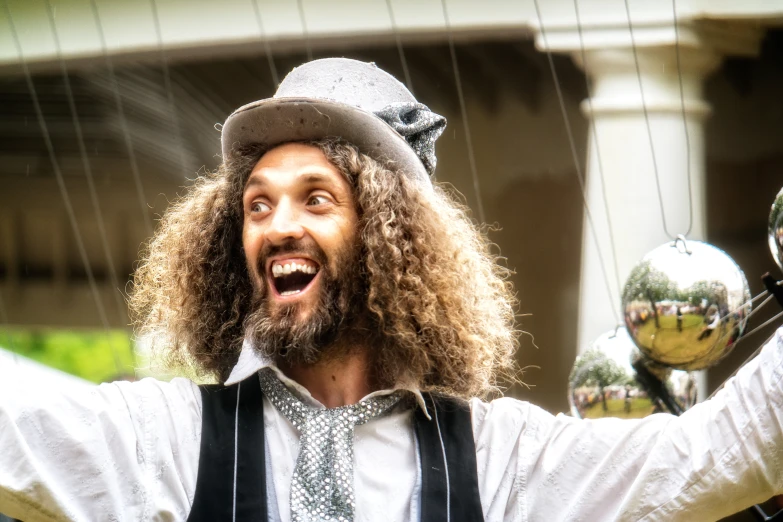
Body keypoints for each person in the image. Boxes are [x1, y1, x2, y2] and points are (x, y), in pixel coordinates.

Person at [1, 58, 782, 522]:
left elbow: (717, 454)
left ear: (385, 236)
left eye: (315, 197)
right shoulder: (161, 439)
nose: (275, 225)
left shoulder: (501, 456)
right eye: (256, 204)